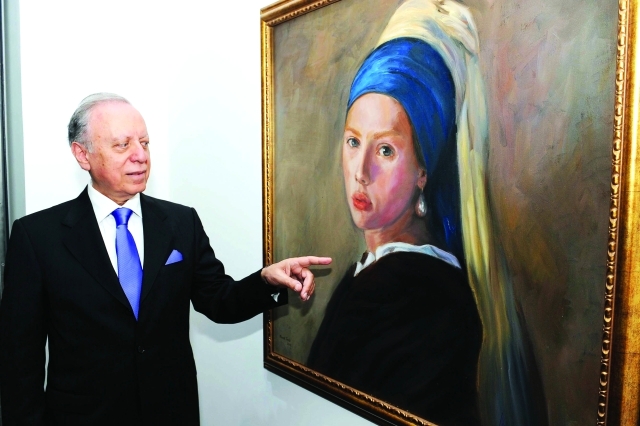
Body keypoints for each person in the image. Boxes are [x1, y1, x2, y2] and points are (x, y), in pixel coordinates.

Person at [0, 93, 331, 426]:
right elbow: (19, 360)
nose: (140, 156)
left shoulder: (180, 223)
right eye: (122, 145)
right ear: (82, 155)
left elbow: (219, 301)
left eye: (144, 143)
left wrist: (266, 281)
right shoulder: (37, 237)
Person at [307, 1, 547, 425]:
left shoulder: (419, 298)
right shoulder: (372, 279)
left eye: (385, 150)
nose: (361, 171)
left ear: (424, 170)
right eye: (353, 142)